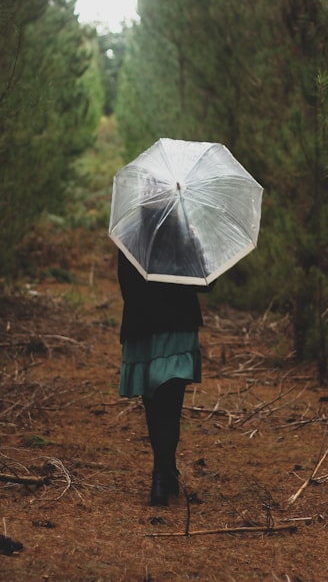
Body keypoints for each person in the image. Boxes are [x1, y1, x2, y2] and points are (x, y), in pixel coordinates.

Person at [117, 209, 210, 506]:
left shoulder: (130, 237)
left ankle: (163, 477)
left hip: (143, 331)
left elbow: (126, 287)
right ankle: (163, 475)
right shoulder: (184, 236)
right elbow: (207, 283)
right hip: (177, 330)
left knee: (154, 406)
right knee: (171, 407)